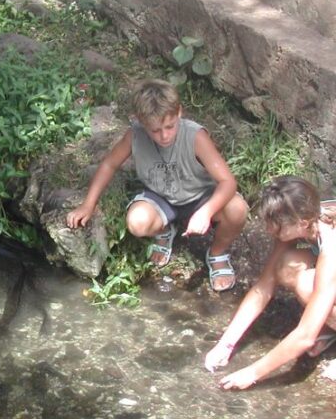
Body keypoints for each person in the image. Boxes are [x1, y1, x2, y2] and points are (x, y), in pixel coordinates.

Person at [65, 78, 248, 291]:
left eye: (170, 127)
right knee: (137, 223)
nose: (164, 135)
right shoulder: (134, 135)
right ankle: (164, 229)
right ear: (140, 121)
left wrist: (206, 212)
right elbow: (109, 164)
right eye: (155, 130)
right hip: (161, 197)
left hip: (200, 197)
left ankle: (217, 253)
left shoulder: (195, 136)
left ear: (179, 112)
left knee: (237, 209)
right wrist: (88, 204)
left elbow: (228, 182)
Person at [206, 176, 336, 389]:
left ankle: (326, 325)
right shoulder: (306, 214)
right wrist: (225, 344)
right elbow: (263, 287)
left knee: (306, 285)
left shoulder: (332, 247)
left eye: (275, 227)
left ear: (301, 223)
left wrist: (252, 372)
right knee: (287, 265)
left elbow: (305, 336)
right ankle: (330, 329)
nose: (268, 230)